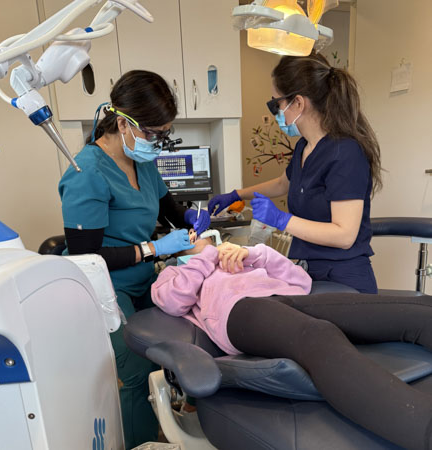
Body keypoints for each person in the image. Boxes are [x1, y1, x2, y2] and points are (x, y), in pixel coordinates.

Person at [152, 242, 432, 450]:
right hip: (239, 311)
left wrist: (253, 254)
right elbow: (173, 300)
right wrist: (206, 256)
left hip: (285, 298)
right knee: (318, 336)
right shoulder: (178, 271)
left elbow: (302, 281)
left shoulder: (245, 259)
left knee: (417, 311)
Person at [58, 70, 210, 448]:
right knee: (138, 368)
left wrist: (191, 219)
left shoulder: (141, 161)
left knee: (186, 337)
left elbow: (168, 209)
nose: (159, 142)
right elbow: (85, 256)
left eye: (165, 133)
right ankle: (140, 442)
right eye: (154, 133)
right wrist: (154, 249)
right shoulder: (86, 173)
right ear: (123, 123)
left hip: (141, 279)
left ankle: (179, 422)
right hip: (104, 288)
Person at [208, 52, 382, 294]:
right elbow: (282, 183)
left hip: (342, 280)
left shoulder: (345, 153)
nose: (276, 112)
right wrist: (236, 195)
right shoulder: (304, 146)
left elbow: (344, 235)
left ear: (298, 103)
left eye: (276, 104)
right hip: (309, 271)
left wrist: (281, 220)